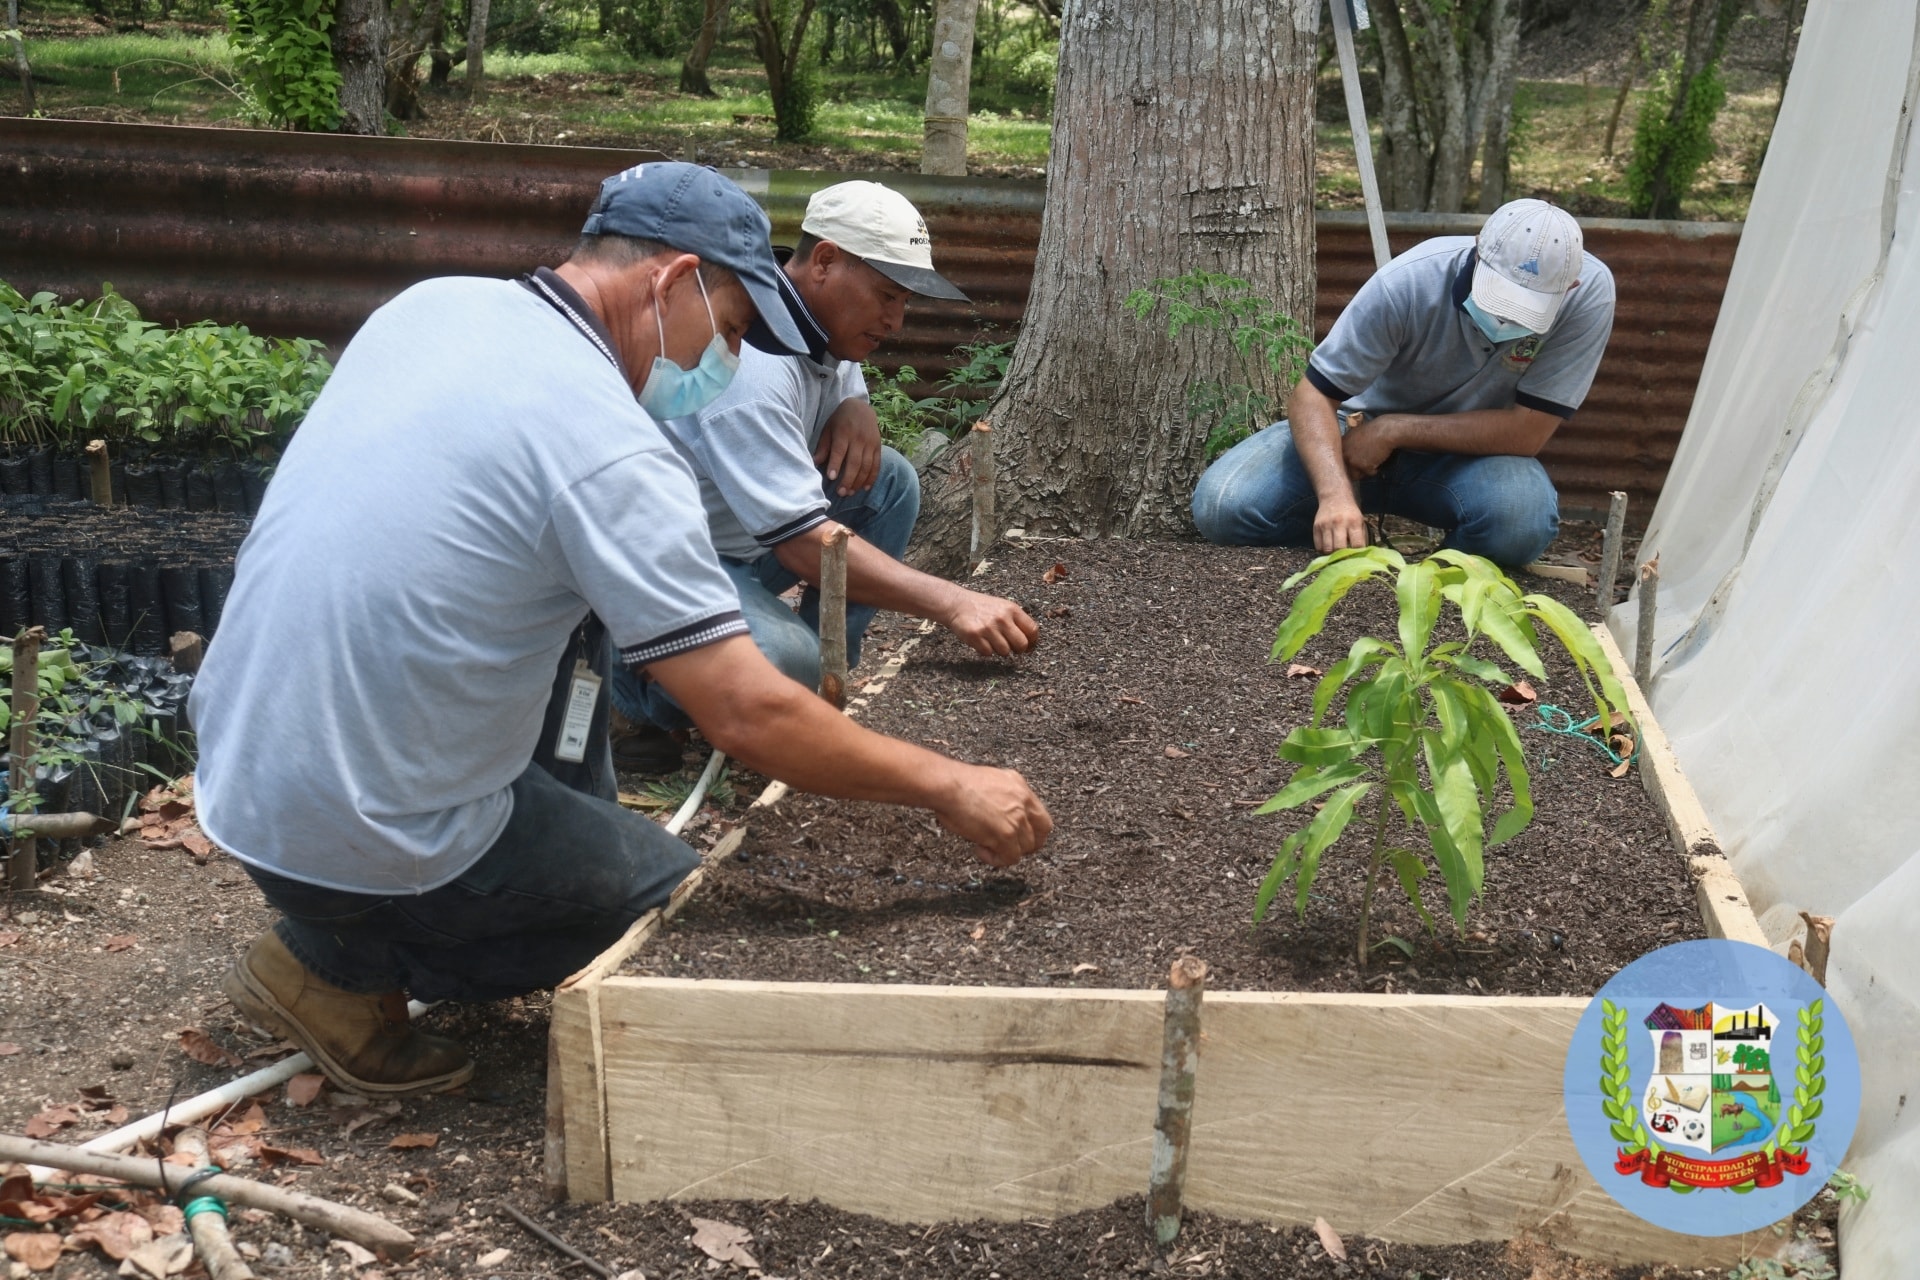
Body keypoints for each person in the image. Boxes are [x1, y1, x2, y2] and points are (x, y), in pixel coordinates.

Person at [189, 163, 1052, 1098]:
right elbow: (747, 714)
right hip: (355, 827)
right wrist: (947, 784)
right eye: (726, 329)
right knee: (678, 905)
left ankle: (358, 913)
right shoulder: (606, 444)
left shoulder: (433, 307)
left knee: (572, 663)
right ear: (672, 281)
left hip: (244, 775)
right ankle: (342, 970)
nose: (724, 360)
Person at [608, 180, 1038, 769]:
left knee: (888, 481)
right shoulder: (753, 373)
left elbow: (831, 366)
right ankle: (637, 696)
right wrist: (953, 602)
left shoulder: (810, 322)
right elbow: (806, 548)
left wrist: (853, 400)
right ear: (827, 261)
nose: (896, 321)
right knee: (788, 661)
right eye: (887, 296)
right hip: (670, 565)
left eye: (904, 302)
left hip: (739, 540)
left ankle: (819, 676)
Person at [1191, 198, 1615, 568]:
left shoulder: (1588, 294)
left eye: (1523, 310)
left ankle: (1431, 584)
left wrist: (1395, 429)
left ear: (1569, 287)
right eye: (1499, 297)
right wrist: (1336, 496)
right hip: (1353, 431)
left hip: (1469, 458)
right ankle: (1342, 555)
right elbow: (1314, 394)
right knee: (1224, 505)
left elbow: (1528, 431)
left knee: (1519, 524)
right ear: (1478, 250)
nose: (1505, 320)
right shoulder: (1411, 279)